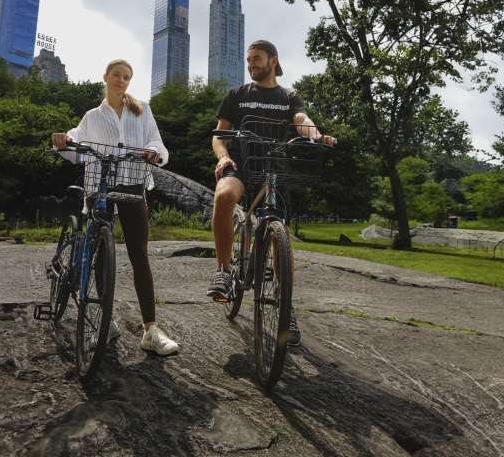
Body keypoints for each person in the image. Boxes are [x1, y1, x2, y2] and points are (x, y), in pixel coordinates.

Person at [207, 40, 334, 346]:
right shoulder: (237, 95)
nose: (251, 65)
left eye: (257, 59)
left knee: (280, 235)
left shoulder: (288, 97)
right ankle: (225, 271)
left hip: (274, 169)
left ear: (273, 61)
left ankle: (284, 305)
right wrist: (223, 156)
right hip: (242, 163)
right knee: (224, 196)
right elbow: (219, 134)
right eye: (249, 60)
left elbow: (301, 121)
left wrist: (316, 136)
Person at [51, 59, 180, 356]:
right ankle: (106, 325)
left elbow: (159, 145)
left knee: (140, 257)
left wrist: (153, 153)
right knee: (100, 252)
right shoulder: (92, 116)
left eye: (126, 77)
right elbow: (76, 142)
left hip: (133, 184)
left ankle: (151, 330)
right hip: (99, 187)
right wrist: (64, 141)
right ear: (106, 77)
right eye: (116, 75)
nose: (121, 80)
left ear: (129, 82)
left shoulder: (142, 109)